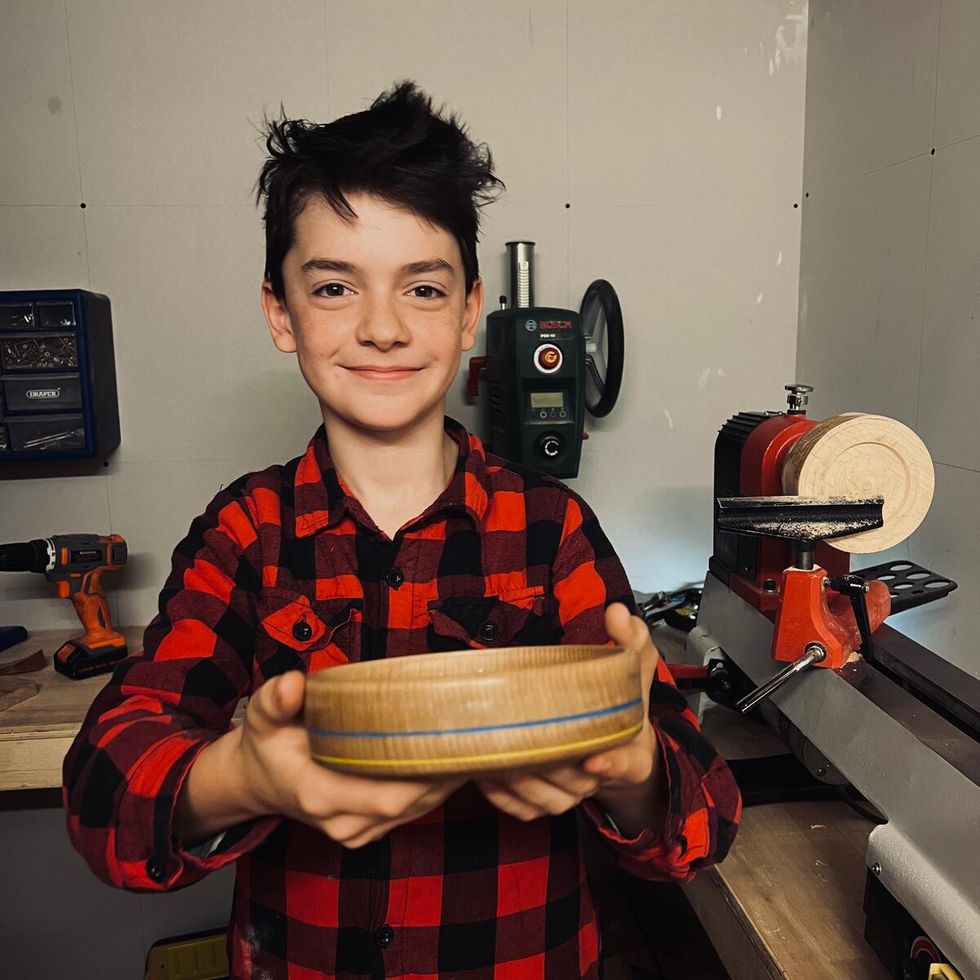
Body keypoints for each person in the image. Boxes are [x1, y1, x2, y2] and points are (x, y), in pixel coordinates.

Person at [63, 82, 740, 980]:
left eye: (422, 288)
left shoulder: (551, 530)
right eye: (335, 286)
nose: (382, 329)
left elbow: (705, 819)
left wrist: (633, 768)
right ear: (280, 313)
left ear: (468, 314)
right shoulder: (246, 531)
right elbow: (103, 790)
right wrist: (241, 779)